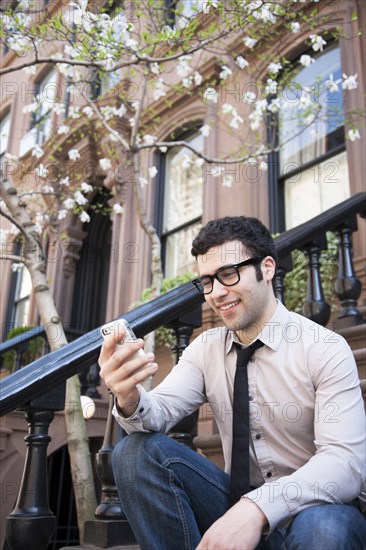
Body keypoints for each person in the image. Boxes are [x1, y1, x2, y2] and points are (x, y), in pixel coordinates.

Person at [99, 216, 366, 550]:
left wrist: (258, 507)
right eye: (207, 281)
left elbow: (345, 465)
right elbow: (158, 411)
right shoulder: (205, 349)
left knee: (326, 528)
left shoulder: (323, 348)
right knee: (134, 451)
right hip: (234, 504)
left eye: (228, 274)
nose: (216, 293)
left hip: (314, 510)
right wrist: (126, 395)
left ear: (266, 268)